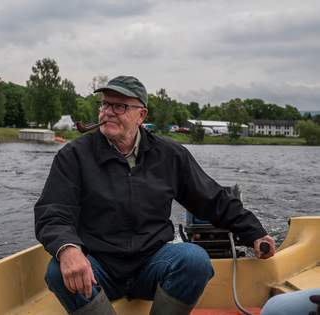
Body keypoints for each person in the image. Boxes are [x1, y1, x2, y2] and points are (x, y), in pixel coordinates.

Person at [34, 75, 276, 315]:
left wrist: (253, 232)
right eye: (105, 104)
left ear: (141, 115)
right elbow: (53, 212)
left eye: (119, 106)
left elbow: (211, 199)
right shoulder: (73, 156)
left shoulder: (170, 155)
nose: (108, 111)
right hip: (98, 265)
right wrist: (68, 250)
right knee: (57, 271)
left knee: (194, 261)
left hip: (152, 263)